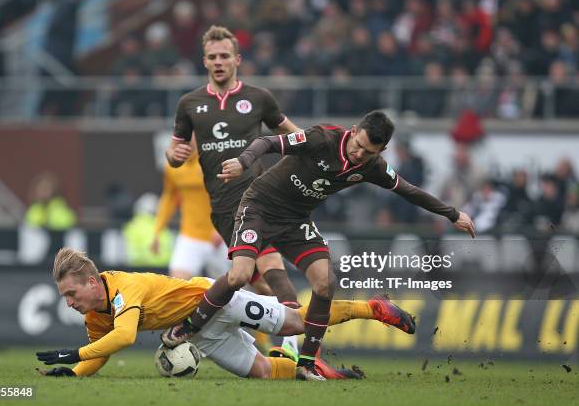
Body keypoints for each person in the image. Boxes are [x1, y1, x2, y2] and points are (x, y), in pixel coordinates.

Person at [174, 110, 476, 380]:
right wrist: (243, 162)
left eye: (368, 151)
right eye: (358, 144)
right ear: (354, 130)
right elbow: (268, 143)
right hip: (260, 208)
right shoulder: (321, 138)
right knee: (240, 276)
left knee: (325, 283)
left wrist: (453, 214)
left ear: (381, 150)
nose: (359, 154)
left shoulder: (374, 167)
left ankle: (306, 363)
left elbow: (409, 190)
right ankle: (188, 327)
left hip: (295, 221)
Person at [35, 248, 405, 379]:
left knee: (296, 321)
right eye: (65, 296)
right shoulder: (93, 315)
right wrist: (75, 372)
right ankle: (312, 368)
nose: (69, 301)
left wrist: (75, 354)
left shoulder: (123, 288)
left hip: (216, 299)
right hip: (198, 332)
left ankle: (372, 307)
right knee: (261, 372)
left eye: (71, 293)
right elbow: (102, 351)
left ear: (89, 280)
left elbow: (126, 337)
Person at [165, 25, 302, 356]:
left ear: (237, 59)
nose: (218, 62)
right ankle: (299, 330)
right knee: (255, 280)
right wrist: (175, 156)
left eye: (224, 56)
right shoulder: (190, 103)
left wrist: (316, 145)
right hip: (223, 209)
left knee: (271, 267)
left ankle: (296, 345)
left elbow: (291, 133)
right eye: (212, 57)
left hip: (257, 199)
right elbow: (173, 152)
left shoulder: (258, 98)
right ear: (204, 61)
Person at [151, 138, 228, 280]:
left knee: (232, 288)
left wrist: (220, 227)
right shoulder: (172, 167)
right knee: (177, 283)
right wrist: (157, 231)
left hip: (220, 237)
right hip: (190, 235)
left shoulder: (212, 160)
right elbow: (169, 198)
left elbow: (228, 194)